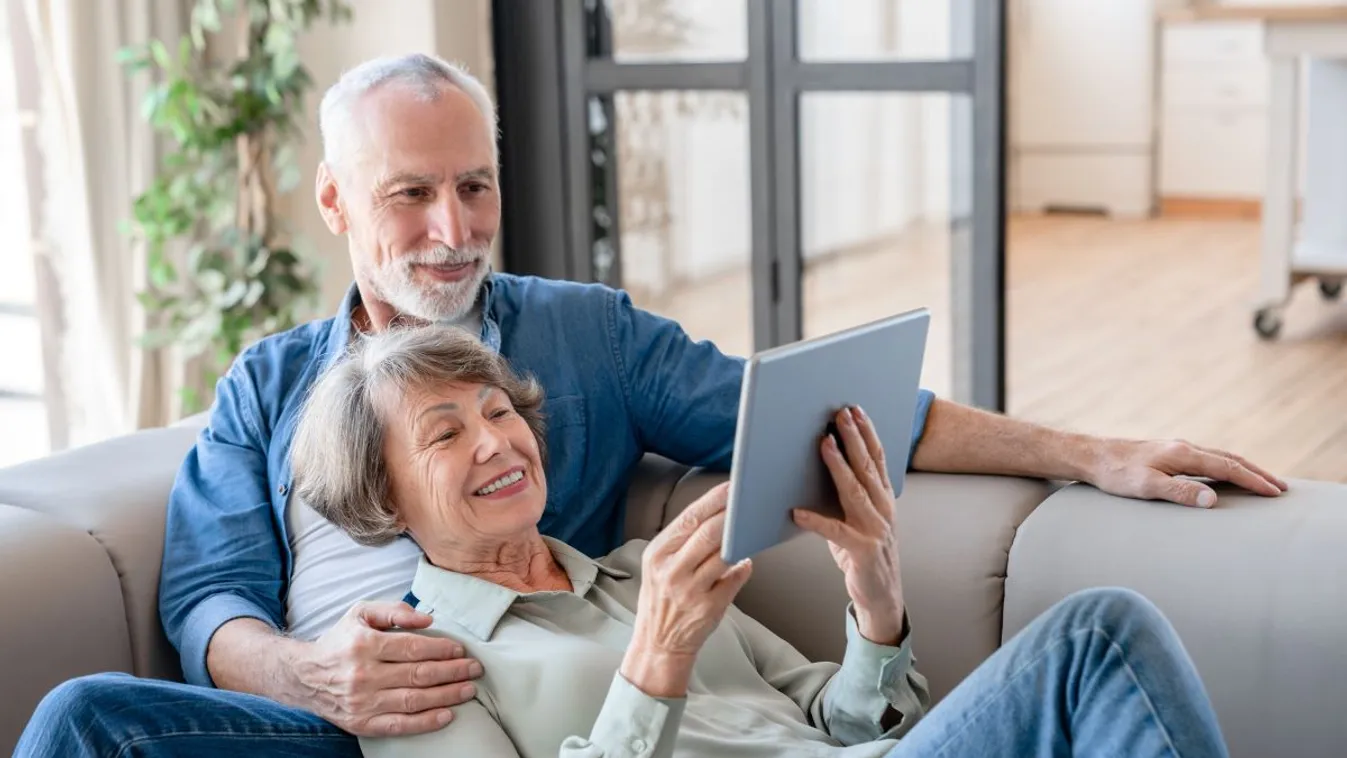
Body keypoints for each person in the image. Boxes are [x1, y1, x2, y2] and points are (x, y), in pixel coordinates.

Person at [14, 53, 1279, 757]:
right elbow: (203, 599)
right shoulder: (269, 386)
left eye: (476, 186)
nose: (451, 232)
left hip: (544, 687)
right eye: (409, 196)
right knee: (82, 718)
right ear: (338, 204)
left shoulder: (586, 352)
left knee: (1102, 632)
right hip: (337, 721)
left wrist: (1087, 451)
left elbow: (818, 413)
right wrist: (307, 673)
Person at [295, 324, 1227, 758]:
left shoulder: (631, 575)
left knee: (1105, 643)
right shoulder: (420, 671)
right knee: (1096, 637)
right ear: (383, 495)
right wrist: (654, 662)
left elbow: (841, 721)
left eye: (499, 410)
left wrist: (873, 592)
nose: (495, 439)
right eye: (445, 433)